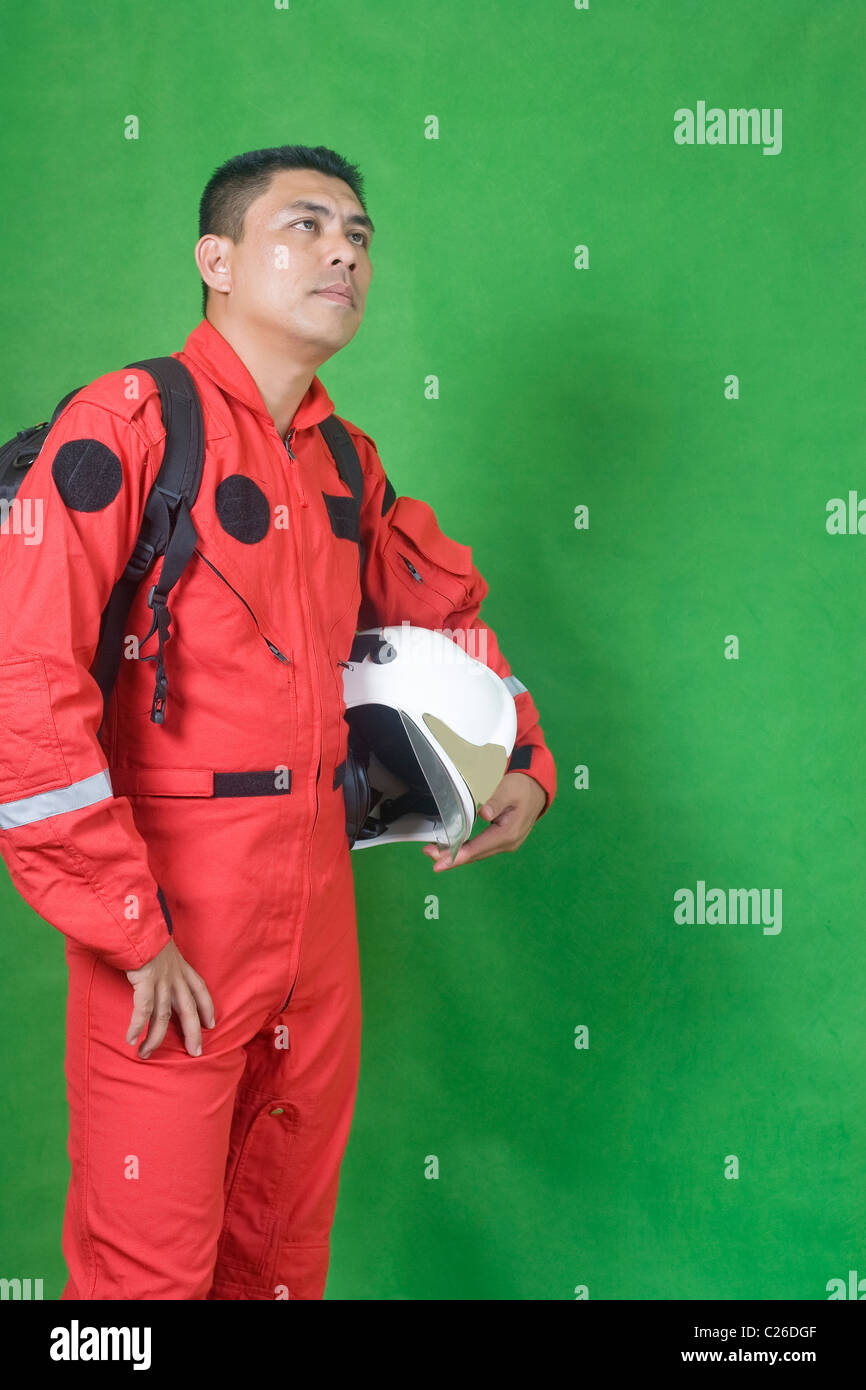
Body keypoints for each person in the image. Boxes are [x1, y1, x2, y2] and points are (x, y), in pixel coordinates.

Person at [0, 143, 557, 1300]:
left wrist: (523, 759)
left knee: (279, 1260)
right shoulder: (130, 424)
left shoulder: (346, 465)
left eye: (357, 235)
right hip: (166, 914)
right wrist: (124, 922)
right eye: (304, 227)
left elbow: (442, 614)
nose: (342, 251)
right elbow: (24, 677)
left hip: (315, 913)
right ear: (216, 258)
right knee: (141, 1279)